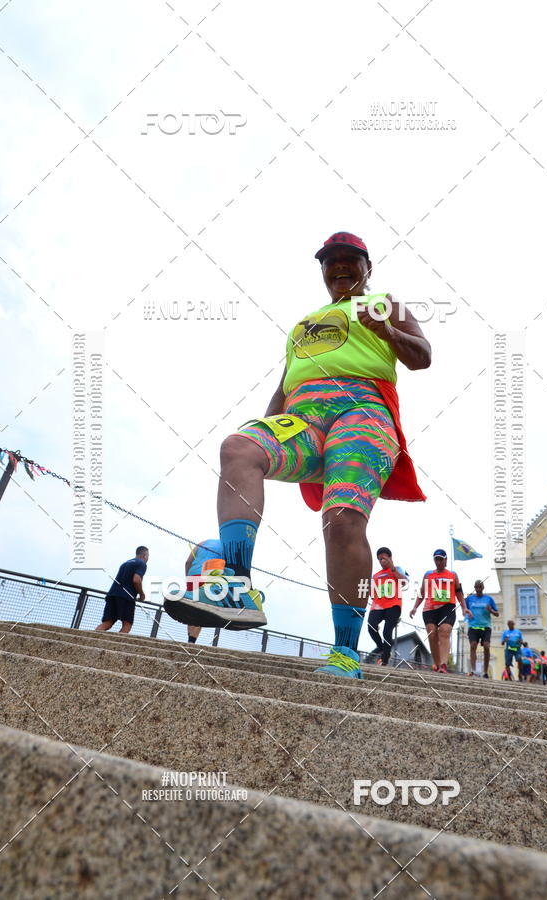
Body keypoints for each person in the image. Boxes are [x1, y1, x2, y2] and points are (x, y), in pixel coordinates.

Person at [164, 232, 430, 679]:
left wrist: (385, 330)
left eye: (351, 260)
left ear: (368, 268)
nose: (340, 267)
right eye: (331, 261)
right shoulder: (304, 324)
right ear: (322, 269)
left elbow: (422, 357)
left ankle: (345, 652)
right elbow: (285, 385)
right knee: (237, 448)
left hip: (362, 411)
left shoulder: (384, 303)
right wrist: (261, 427)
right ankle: (234, 582)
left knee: (342, 519)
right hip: (305, 416)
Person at [410, 549, 467, 674]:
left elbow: (459, 592)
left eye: (441, 559)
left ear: (446, 560)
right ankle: (436, 663)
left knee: (444, 631)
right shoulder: (428, 575)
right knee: (432, 634)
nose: (439, 561)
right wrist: (415, 607)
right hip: (430, 609)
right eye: (436, 559)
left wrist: (464, 607)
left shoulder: (453, 575)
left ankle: (443, 664)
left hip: (447, 607)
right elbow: (422, 592)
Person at [367, 547, 407, 666]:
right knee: (371, 626)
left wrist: (393, 568)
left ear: (390, 558)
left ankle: (384, 659)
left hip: (393, 605)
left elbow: (404, 582)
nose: (382, 561)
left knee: (386, 632)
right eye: (380, 559)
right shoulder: (376, 575)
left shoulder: (397, 569)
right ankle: (384, 650)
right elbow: (371, 593)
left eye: (384, 558)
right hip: (378, 605)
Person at [96, 546, 149, 634]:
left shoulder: (125, 563)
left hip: (112, 595)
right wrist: (142, 594)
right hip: (126, 596)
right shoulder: (142, 563)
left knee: (107, 623)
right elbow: (136, 580)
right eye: (148, 556)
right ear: (144, 555)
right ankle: (114, 646)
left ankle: (93, 639)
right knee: (127, 624)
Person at [184, 539, 225, 643]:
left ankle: (190, 638)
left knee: (191, 608)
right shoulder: (226, 546)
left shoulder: (202, 543)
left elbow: (188, 562)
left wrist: (187, 579)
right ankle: (192, 641)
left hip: (192, 574)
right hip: (208, 576)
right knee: (201, 609)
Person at [465, 579, 499, 678]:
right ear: (474, 588)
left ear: (483, 588)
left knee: (486, 646)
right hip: (473, 626)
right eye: (477, 587)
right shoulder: (470, 599)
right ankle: (474, 670)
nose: (478, 589)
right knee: (473, 645)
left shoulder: (489, 599)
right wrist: (467, 614)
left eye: (480, 587)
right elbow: (464, 609)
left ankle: (485, 672)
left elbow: (497, 614)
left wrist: (491, 610)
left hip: (485, 626)